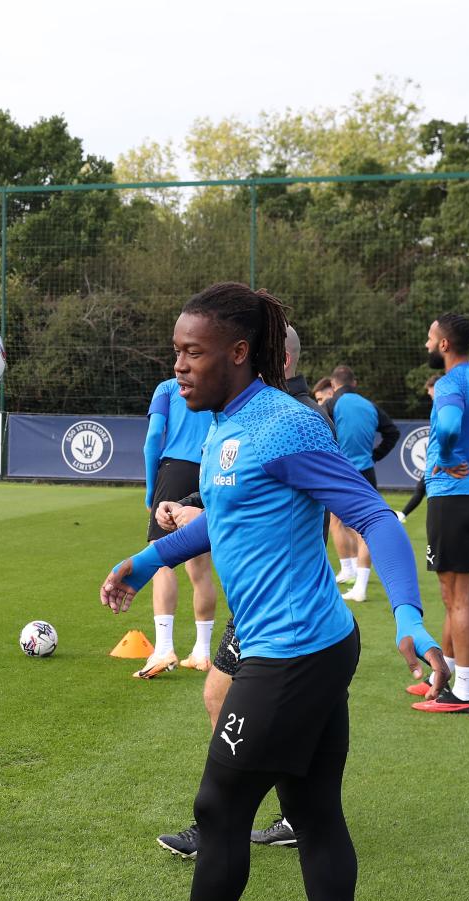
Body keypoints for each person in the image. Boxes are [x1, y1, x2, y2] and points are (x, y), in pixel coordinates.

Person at [100, 282, 444, 901]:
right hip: (300, 645)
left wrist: (408, 615)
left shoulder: (284, 425)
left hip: (294, 653)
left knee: (218, 808)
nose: (178, 366)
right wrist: (145, 562)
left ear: (238, 352)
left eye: (193, 353)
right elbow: (225, 521)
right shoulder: (224, 423)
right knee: (314, 811)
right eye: (176, 351)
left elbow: (374, 516)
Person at [154, 322, 332, 858]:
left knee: (225, 697)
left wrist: (407, 613)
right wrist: (190, 507)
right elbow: (234, 490)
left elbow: (275, 509)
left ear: (275, 358)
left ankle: (222, 820)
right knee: (287, 718)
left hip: (283, 601)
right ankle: (285, 815)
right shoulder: (251, 414)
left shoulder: (293, 417)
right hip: (273, 599)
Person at [413, 312, 469, 713]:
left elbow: (450, 426)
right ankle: (446, 673)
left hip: (453, 495)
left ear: (445, 344)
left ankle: (466, 691)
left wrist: (448, 457)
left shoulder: (451, 383)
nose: (427, 344)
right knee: (453, 592)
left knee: (458, 595)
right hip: (464, 497)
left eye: (430, 338)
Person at [139, 372, 216, 676]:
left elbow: (153, 438)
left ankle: (163, 649)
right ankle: (202, 652)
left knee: (162, 561)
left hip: (174, 471)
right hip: (209, 470)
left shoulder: (168, 388)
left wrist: (150, 489)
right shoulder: (214, 385)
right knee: (201, 568)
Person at [325, 365, 400, 602]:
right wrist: (375, 455)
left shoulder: (331, 404)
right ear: (354, 383)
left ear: (333, 385)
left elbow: (321, 433)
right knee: (364, 526)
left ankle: (352, 576)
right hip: (366, 472)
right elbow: (393, 433)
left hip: (340, 472)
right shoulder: (370, 405)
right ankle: (357, 580)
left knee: (336, 522)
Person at [394, 375, 438, 529]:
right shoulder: (439, 406)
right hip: (436, 461)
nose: (428, 393)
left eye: (429, 389)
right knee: (422, 488)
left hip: (439, 462)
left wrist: (441, 458)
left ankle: (403, 515)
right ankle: (403, 514)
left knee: (425, 490)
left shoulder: (443, 405)